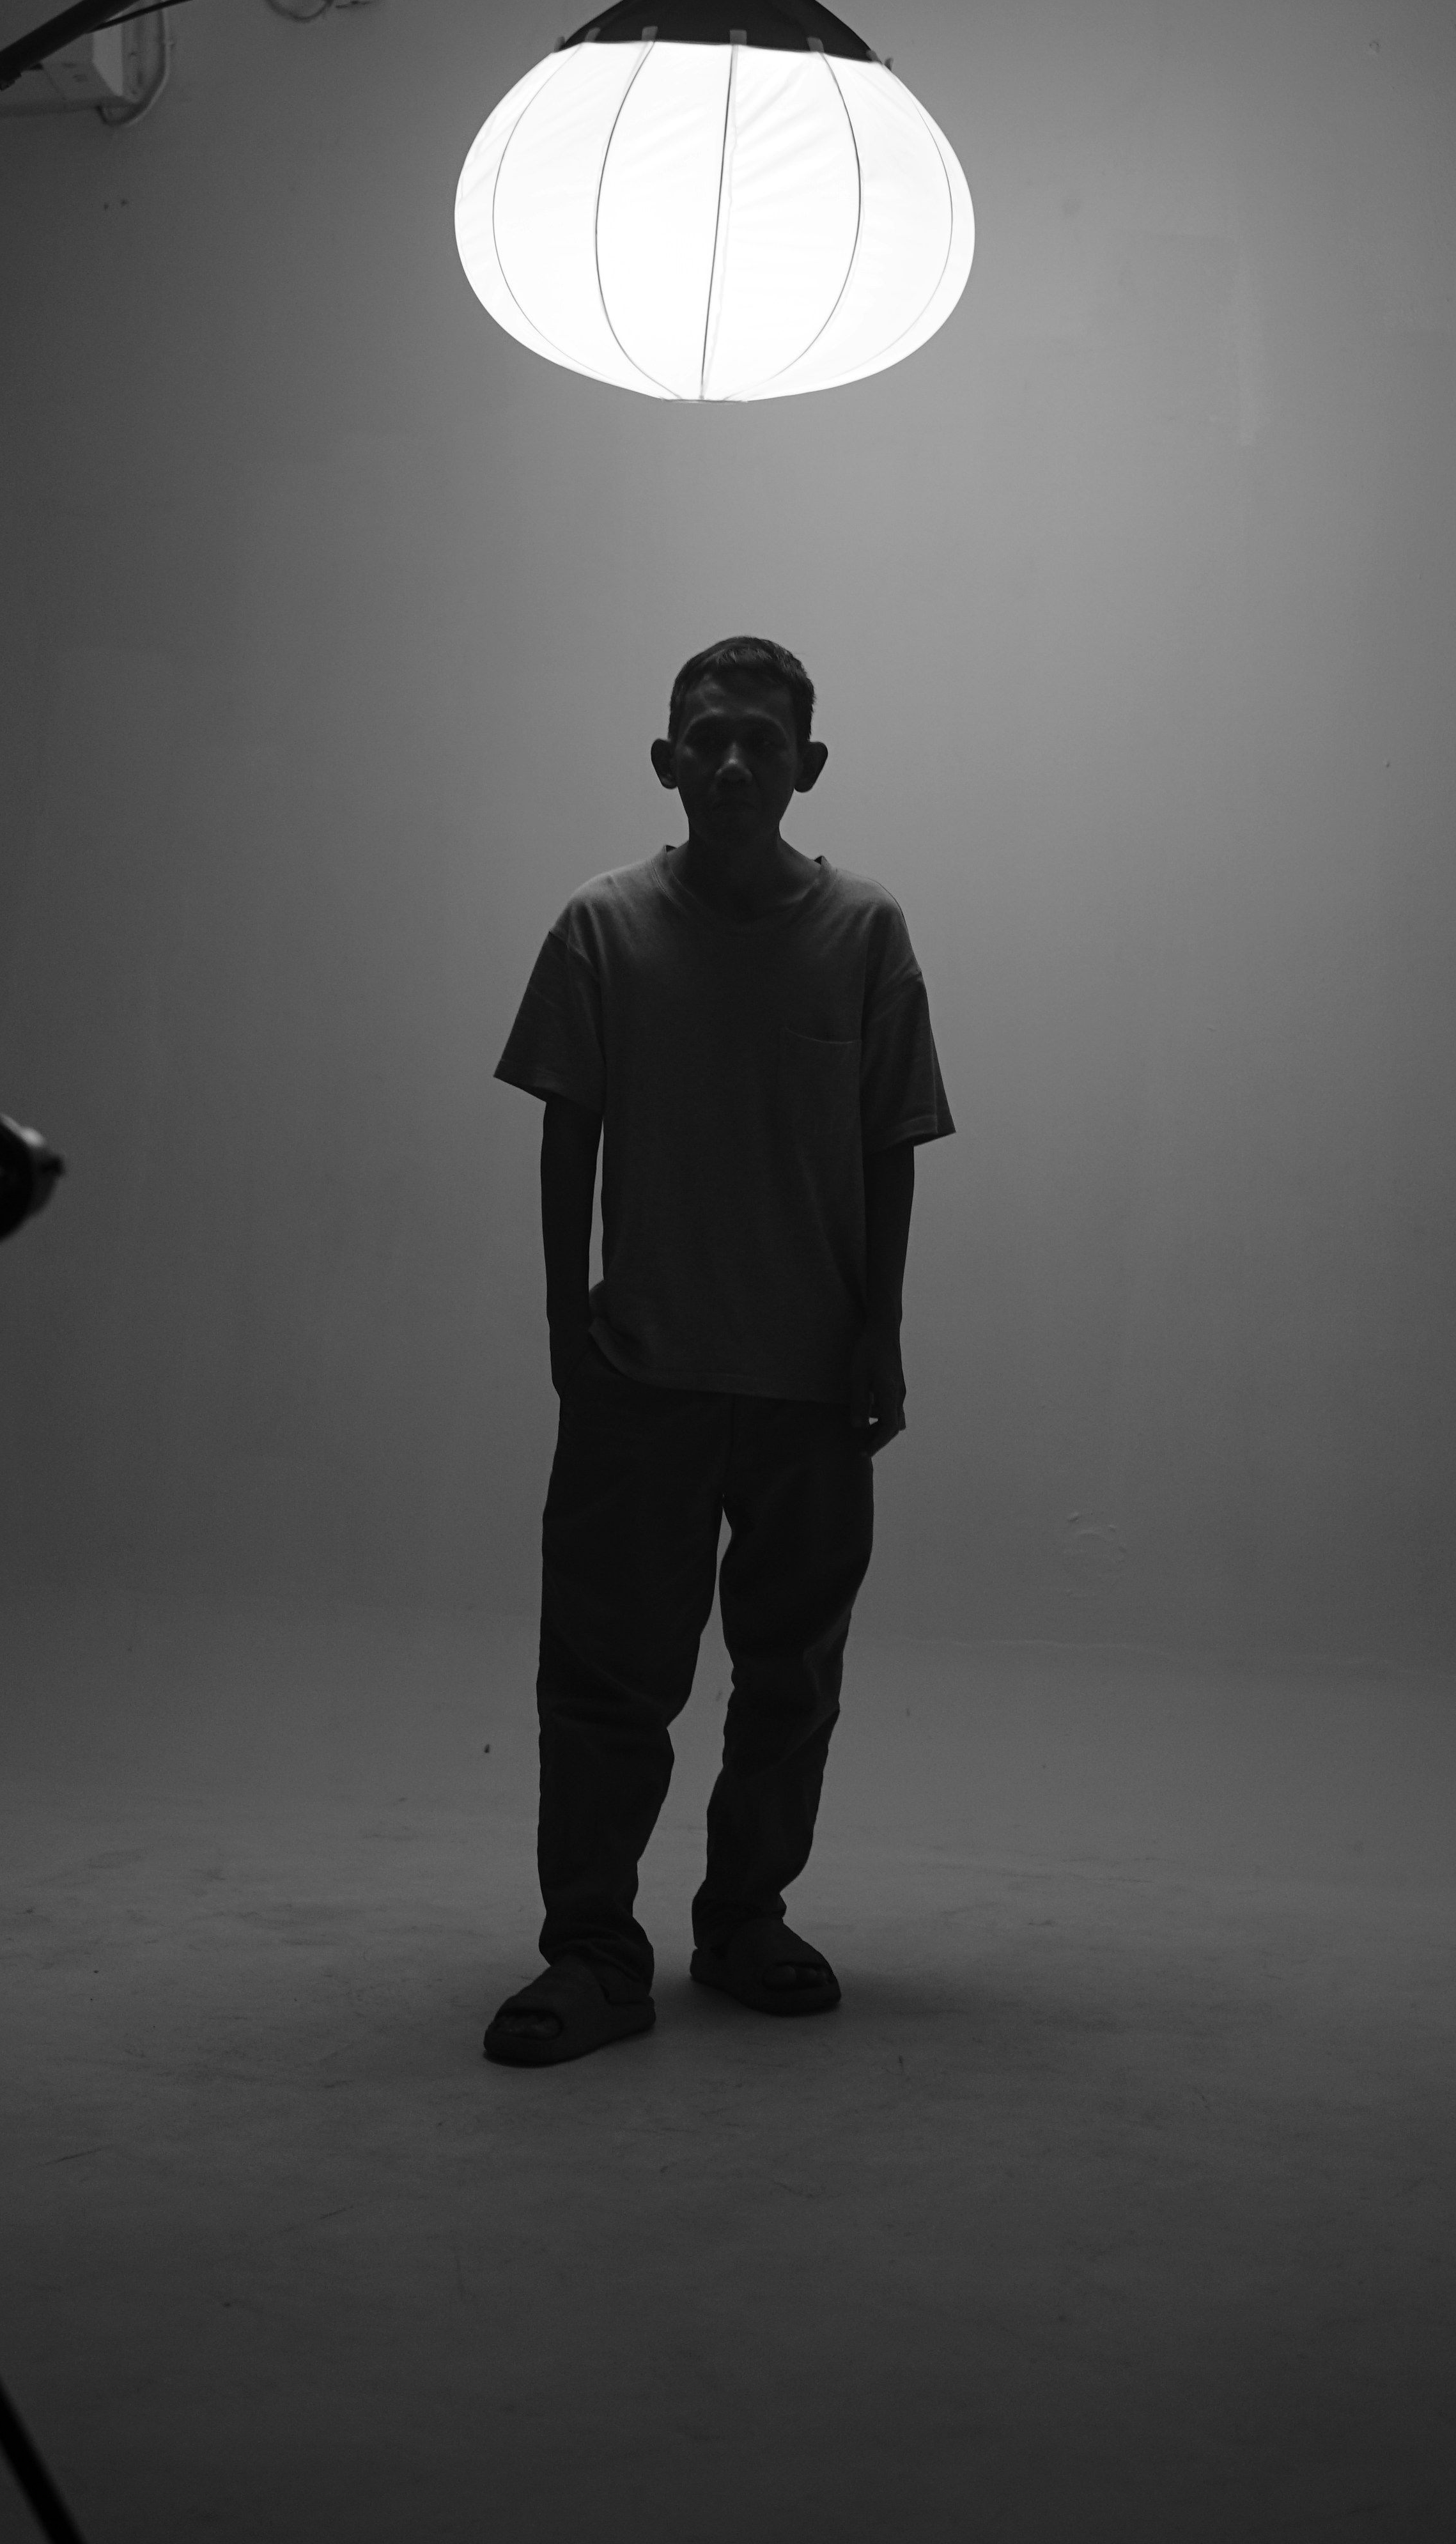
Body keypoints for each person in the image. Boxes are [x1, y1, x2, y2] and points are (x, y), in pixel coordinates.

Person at [484, 634, 953, 2069]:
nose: (734, 761)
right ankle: (592, 1949)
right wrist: (567, 1324)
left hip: (810, 1381)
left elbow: (891, 1141)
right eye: (708, 736)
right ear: (664, 761)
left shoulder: (862, 931)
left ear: (809, 767)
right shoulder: (604, 926)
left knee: (789, 1677)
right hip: (644, 1370)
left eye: (762, 739)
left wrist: (880, 1329)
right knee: (606, 1679)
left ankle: (746, 1917)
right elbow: (567, 1127)